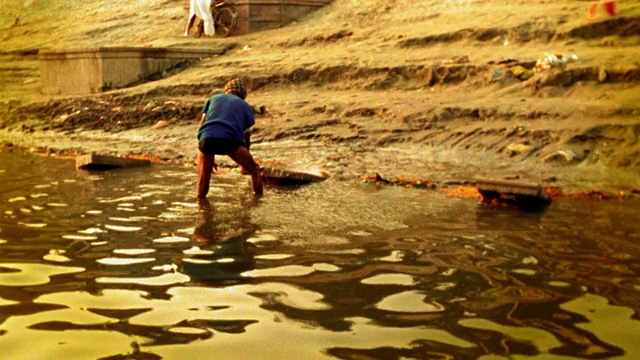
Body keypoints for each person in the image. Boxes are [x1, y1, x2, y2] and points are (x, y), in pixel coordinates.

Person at [196, 78, 263, 198]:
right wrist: (245, 166)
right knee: (255, 170)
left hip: (206, 139)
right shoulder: (246, 108)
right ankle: (257, 202)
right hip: (230, 141)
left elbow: (202, 124)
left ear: (226, 91)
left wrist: (208, 157)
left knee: (203, 181)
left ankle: (202, 207)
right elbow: (246, 141)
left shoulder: (213, 99)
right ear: (244, 95)